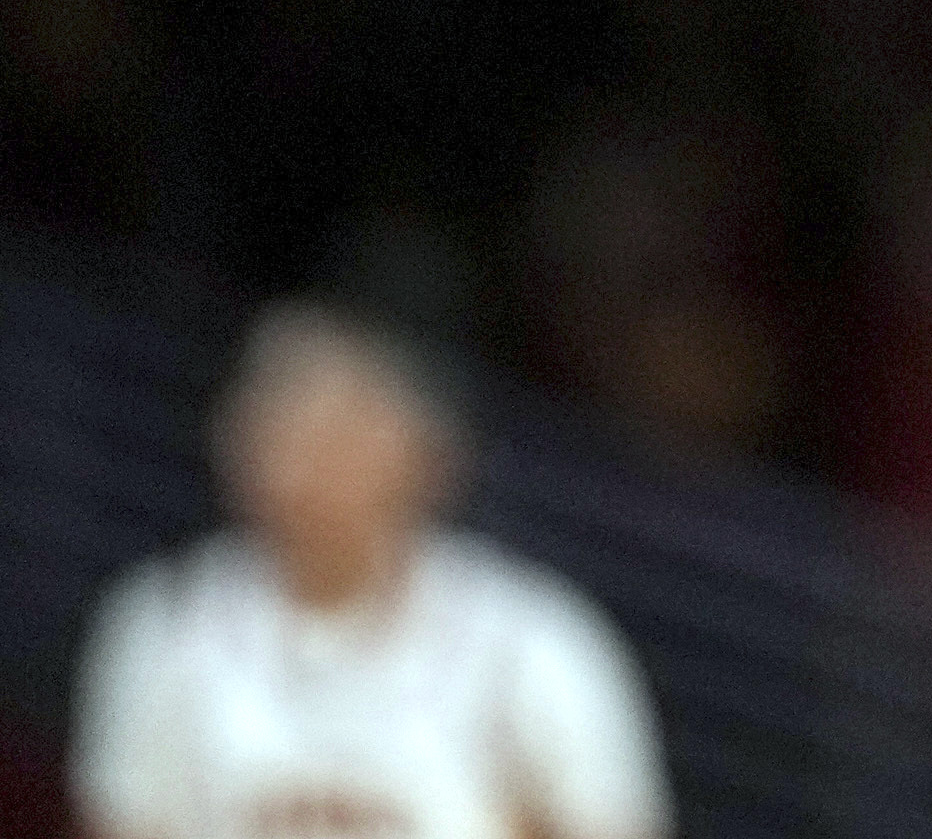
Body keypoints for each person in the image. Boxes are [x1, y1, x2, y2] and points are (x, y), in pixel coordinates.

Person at [73, 303, 670, 839]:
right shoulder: (168, 619)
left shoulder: (531, 638)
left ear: (422, 454)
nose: (302, 465)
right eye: (277, 428)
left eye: (337, 433)